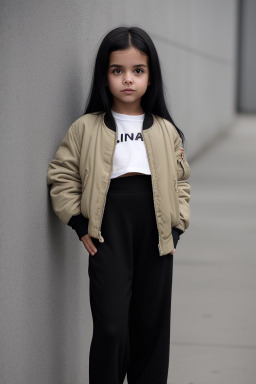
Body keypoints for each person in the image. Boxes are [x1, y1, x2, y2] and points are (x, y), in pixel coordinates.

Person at [47, 26, 190, 384]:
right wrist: (79, 223)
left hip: (156, 231)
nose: (128, 79)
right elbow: (62, 175)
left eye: (137, 70)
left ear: (150, 76)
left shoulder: (165, 129)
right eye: (117, 70)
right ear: (105, 75)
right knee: (111, 326)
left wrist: (176, 226)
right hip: (109, 227)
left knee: (151, 326)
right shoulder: (86, 128)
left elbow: (181, 181)